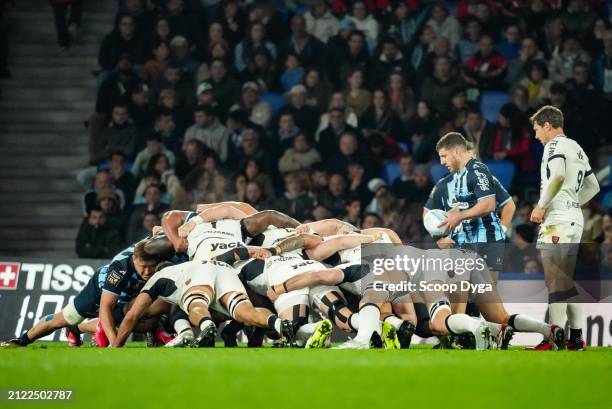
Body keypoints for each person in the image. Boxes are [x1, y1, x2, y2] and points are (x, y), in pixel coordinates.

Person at [1, 238, 168, 348]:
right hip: (100, 290)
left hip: (130, 293)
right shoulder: (120, 269)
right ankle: (22, 340)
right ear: (134, 260)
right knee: (63, 318)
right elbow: (105, 307)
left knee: (149, 318)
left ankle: (153, 334)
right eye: (143, 267)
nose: (147, 271)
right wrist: (115, 343)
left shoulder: (156, 250)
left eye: (151, 267)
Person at [528, 105, 600, 350]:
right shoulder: (576, 147)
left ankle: (554, 339)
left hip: (558, 218)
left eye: (537, 130)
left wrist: (542, 205)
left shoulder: (554, 146)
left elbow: (557, 176)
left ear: (548, 126)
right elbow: (593, 187)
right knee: (564, 280)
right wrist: (571, 202)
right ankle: (576, 338)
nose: (536, 136)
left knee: (555, 280)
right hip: (573, 217)